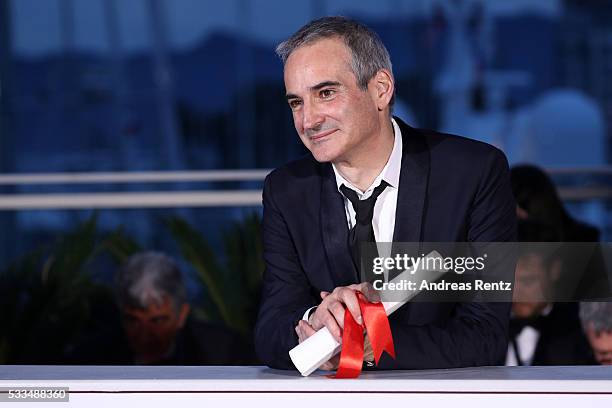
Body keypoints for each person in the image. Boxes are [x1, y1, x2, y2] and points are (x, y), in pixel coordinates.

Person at [254, 16, 517, 370]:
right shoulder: (286, 190)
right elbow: (270, 330)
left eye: (326, 93)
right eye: (296, 103)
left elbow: (486, 333)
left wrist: (368, 344)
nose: (308, 120)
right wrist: (317, 321)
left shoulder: (474, 172)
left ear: (381, 89)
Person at [69, 251, 251, 365]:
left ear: (182, 315)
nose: (144, 334)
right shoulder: (89, 360)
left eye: (157, 320)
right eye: (133, 320)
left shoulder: (223, 354)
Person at [507, 220, 594, 366]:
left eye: (528, 280)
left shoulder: (583, 327)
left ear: (555, 270)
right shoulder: (483, 323)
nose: (514, 292)